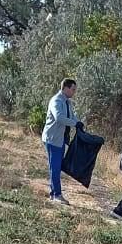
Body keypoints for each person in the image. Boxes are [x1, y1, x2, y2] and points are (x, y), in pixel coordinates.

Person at [41, 77, 82, 205]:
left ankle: (54, 193)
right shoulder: (56, 100)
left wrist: (78, 122)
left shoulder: (67, 102)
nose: (74, 92)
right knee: (55, 167)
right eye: (73, 89)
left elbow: (71, 116)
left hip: (61, 139)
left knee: (57, 166)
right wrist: (75, 124)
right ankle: (56, 195)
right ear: (65, 88)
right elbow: (59, 117)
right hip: (53, 139)